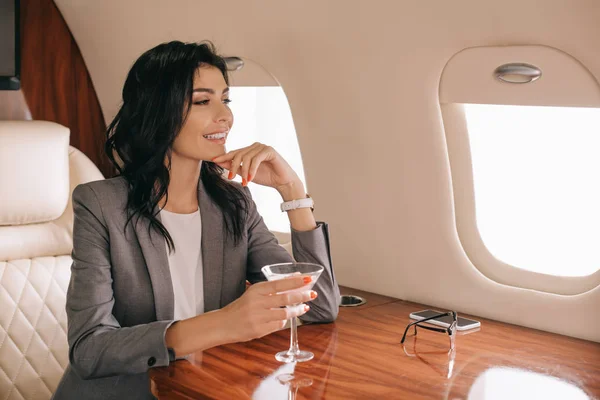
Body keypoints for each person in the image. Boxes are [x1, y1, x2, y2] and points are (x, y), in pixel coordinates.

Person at [52, 41, 340, 399]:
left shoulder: (234, 203)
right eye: (203, 101)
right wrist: (224, 324)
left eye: (226, 99)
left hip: (205, 388)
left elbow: (320, 305)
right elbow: (89, 350)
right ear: (158, 112)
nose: (225, 116)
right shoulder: (100, 204)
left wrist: (292, 189)